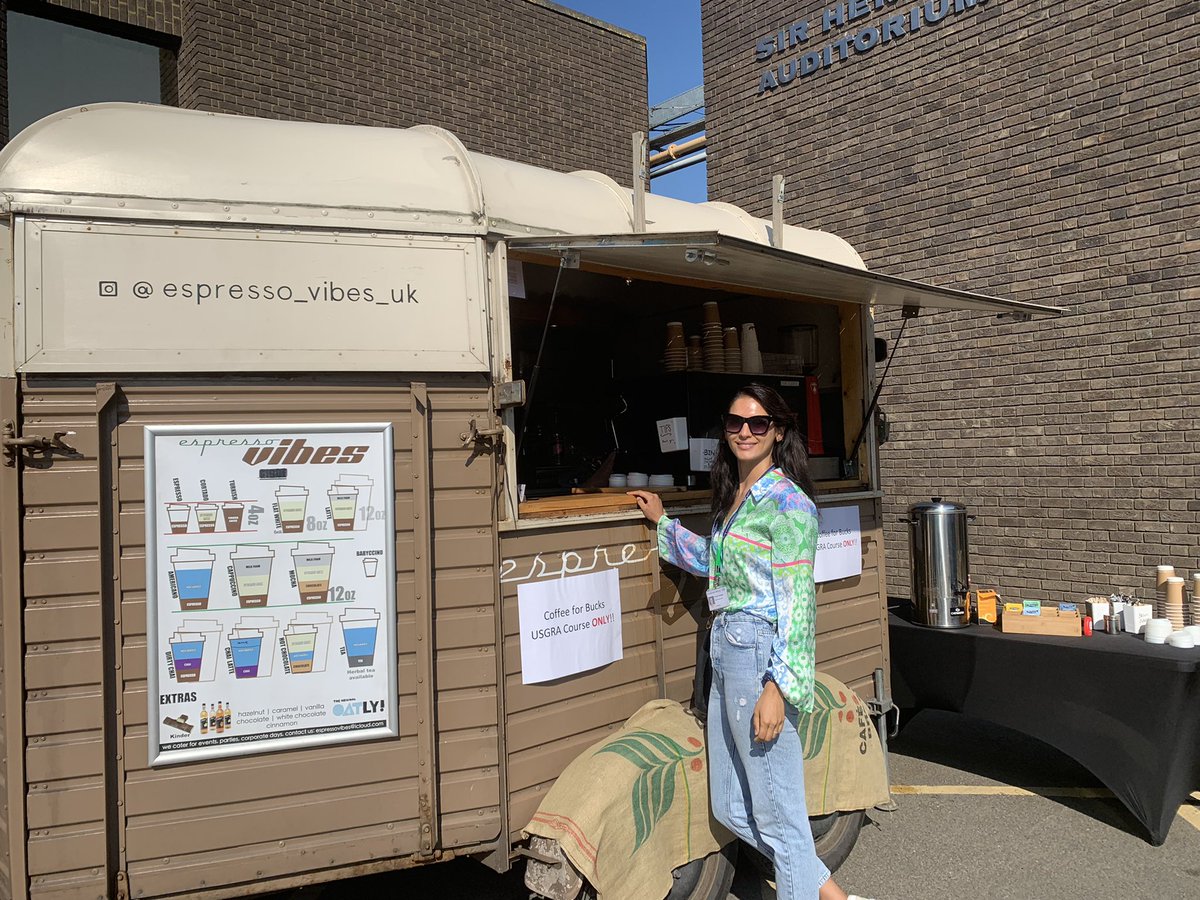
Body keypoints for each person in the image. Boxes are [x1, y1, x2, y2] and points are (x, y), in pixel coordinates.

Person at [629, 384, 875, 900]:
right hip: (727, 651)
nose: (745, 431)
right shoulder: (738, 496)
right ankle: (834, 897)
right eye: (735, 422)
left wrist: (778, 688)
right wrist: (664, 523)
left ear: (777, 432)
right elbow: (713, 563)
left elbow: (799, 604)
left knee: (778, 816)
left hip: (758, 656)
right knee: (730, 807)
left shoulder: (788, 504)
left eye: (758, 423)